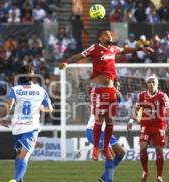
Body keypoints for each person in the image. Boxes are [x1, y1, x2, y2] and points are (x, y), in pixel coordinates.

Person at [60, 29, 153, 161]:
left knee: (109, 121)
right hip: (97, 89)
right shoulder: (95, 48)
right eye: (106, 34)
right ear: (100, 38)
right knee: (99, 118)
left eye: (109, 34)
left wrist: (142, 49)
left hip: (110, 89)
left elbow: (125, 50)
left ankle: (104, 148)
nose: (109, 35)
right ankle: (96, 148)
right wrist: (67, 63)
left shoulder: (113, 48)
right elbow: (79, 56)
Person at [0, 65, 53, 182]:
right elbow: (49, 109)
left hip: (17, 126)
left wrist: (2, 118)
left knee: (19, 155)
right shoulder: (40, 90)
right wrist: (41, 107)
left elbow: (8, 105)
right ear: (32, 76)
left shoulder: (15, 90)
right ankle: (14, 180)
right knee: (24, 157)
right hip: (31, 127)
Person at [127, 75, 169, 182]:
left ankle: (159, 176)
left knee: (159, 149)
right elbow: (136, 109)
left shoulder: (163, 96)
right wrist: (130, 121)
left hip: (159, 126)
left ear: (156, 84)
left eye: (153, 82)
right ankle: (145, 171)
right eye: (149, 82)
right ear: (146, 84)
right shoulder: (142, 95)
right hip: (146, 126)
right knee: (142, 147)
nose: (151, 84)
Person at [85, 79, 125, 182]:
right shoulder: (102, 95)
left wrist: (115, 90)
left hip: (105, 132)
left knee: (121, 153)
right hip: (94, 131)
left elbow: (120, 99)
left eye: (119, 86)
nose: (118, 88)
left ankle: (105, 177)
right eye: (116, 85)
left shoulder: (113, 97)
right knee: (110, 155)